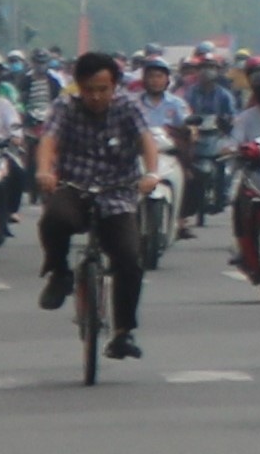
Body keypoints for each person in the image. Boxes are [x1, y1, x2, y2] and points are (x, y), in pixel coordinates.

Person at [30, 46, 170, 355]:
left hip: (117, 190)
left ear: (115, 86)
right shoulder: (65, 106)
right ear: (78, 86)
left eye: (103, 89)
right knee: (55, 219)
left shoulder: (128, 107)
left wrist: (151, 173)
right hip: (74, 185)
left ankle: (123, 331)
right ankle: (58, 272)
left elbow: (146, 140)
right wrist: (44, 171)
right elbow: (49, 141)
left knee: (130, 258)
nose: (96, 97)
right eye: (89, 90)